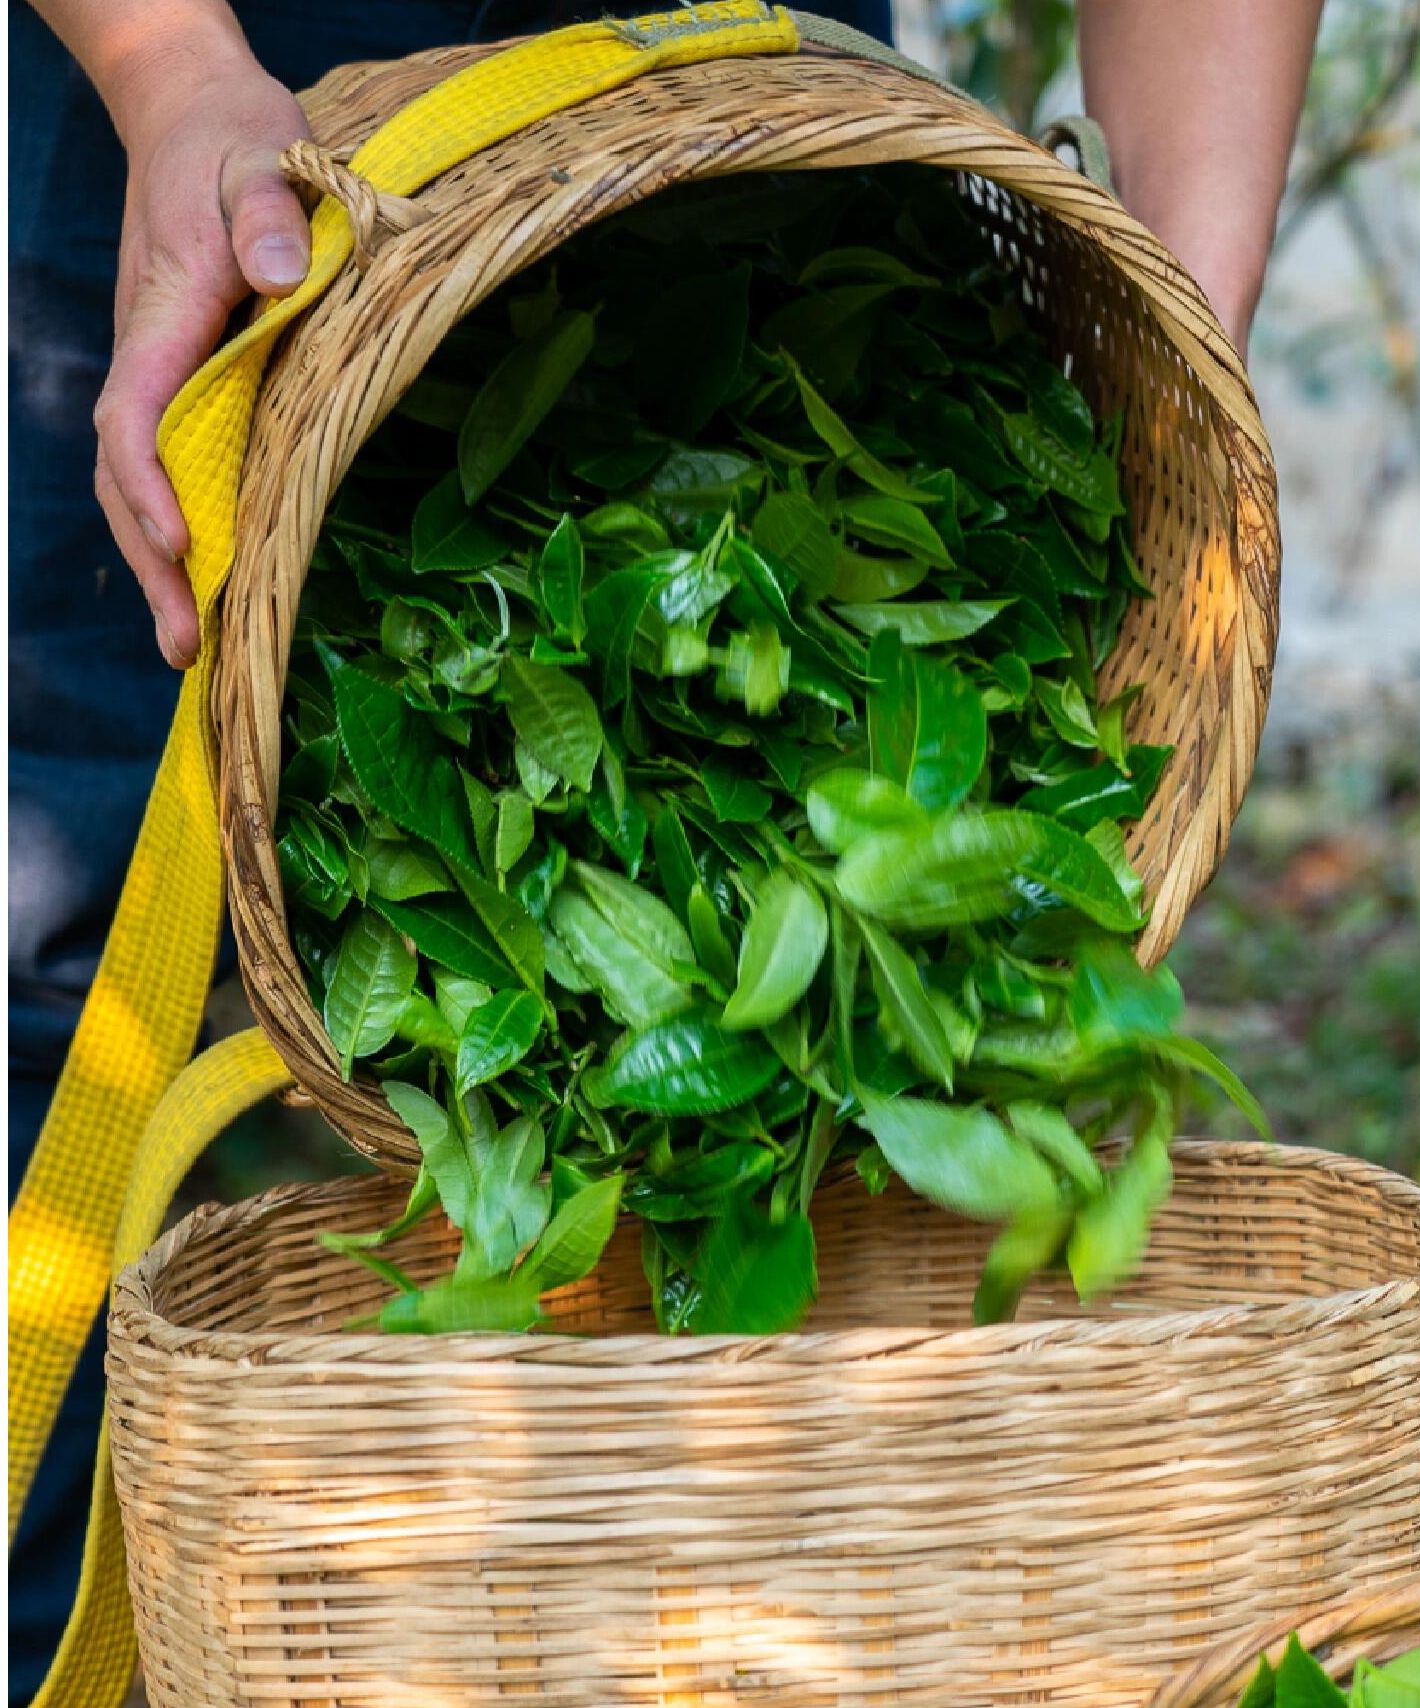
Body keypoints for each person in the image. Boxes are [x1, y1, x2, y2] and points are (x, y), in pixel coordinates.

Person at [7, 0, 1321, 1697]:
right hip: (226, 105)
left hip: (749, 129)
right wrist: (166, 69)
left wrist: (1176, 319)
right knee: (66, 971)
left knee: (847, 1172)